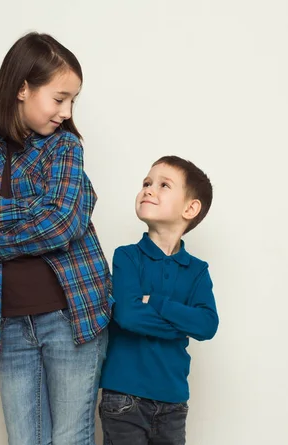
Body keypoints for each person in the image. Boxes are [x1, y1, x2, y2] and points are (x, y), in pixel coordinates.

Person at [0, 32, 112, 445]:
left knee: (71, 438)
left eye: (73, 100)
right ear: (22, 88)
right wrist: (32, 205)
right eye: (59, 98)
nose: (66, 111)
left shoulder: (65, 147)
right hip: (8, 323)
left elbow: (62, 225)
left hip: (72, 317)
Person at [99, 156, 219, 445]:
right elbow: (127, 315)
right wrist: (180, 324)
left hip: (173, 402)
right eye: (146, 183)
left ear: (190, 208)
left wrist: (155, 301)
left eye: (164, 185)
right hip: (123, 397)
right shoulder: (127, 256)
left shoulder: (197, 270)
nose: (149, 189)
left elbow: (206, 325)